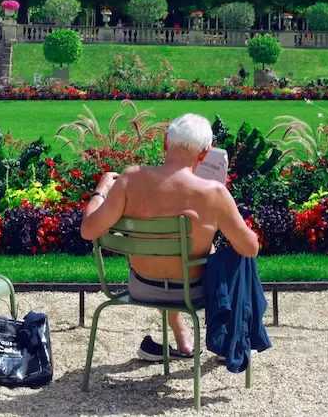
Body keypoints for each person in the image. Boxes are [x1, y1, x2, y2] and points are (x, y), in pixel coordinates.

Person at [80, 114, 259, 362]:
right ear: (204, 154)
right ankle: (231, 340)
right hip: (192, 293)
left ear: (165, 143)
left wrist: (100, 191)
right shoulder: (214, 193)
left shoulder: (130, 179)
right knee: (234, 258)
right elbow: (250, 248)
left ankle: (183, 338)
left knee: (170, 254)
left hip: (142, 287)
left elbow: (89, 230)